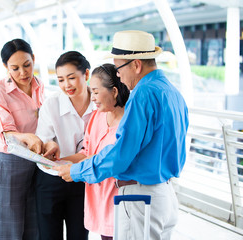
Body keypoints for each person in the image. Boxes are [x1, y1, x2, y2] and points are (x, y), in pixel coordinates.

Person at [54, 30, 189, 240]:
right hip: (166, 195)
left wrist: (78, 170)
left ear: (136, 65)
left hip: (141, 196)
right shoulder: (172, 92)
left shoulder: (143, 95)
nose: (118, 75)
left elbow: (121, 155)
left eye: (118, 68)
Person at [60, 64, 130, 240]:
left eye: (97, 92)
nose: (93, 99)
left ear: (114, 91)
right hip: (99, 204)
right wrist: (60, 160)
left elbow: (112, 162)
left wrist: (76, 169)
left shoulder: (129, 125)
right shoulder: (98, 116)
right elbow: (87, 152)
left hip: (121, 206)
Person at [0, 38, 44, 240]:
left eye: (27, 65)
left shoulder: (40, 87)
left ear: (33, 59)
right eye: (15, 68)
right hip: (8, 161)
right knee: (6, 225)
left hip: (36, 161)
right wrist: (26, 136)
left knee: (33, 222)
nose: (23, 73)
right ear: (5, 67)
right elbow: (6, 131)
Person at [34, 51, 93, 240]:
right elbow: (45, 140)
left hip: (84, 180)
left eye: (71, 78)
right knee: (49, 236)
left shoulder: (100, 104)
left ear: (86, 74)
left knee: (79, 235)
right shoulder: (51, 105)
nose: (66, 85)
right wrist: (50, 146)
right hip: (52, 179)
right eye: (60, 80)